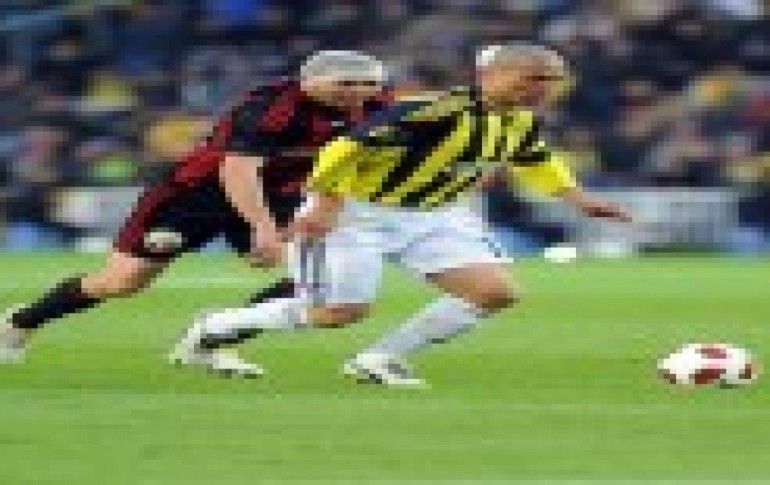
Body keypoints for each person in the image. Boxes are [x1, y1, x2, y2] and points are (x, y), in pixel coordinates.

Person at [172, 42, 631, 386]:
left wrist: (579, 199)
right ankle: (213, 328)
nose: (542, 88)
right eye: (532, 78)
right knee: (338, 313)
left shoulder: (520, 120)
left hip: (434, 215)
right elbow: (343, 148)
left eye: (550, 80)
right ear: (490, 75)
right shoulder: (432, 112)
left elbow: (534, 159)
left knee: (494, 292)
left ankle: (379, 359)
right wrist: (328, 203)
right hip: (356, 214)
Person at [1, 50, 389, 377]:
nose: (357, 92)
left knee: (317, 282)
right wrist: (264, 229)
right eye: (345, 83)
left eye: (367, 84)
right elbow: (238, 170)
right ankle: (19, 323)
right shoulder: (270, 107)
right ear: (309, 80)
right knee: (123, 281)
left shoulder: (377, 110)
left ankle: (208, 341)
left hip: (281, 197)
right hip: (195, 195)